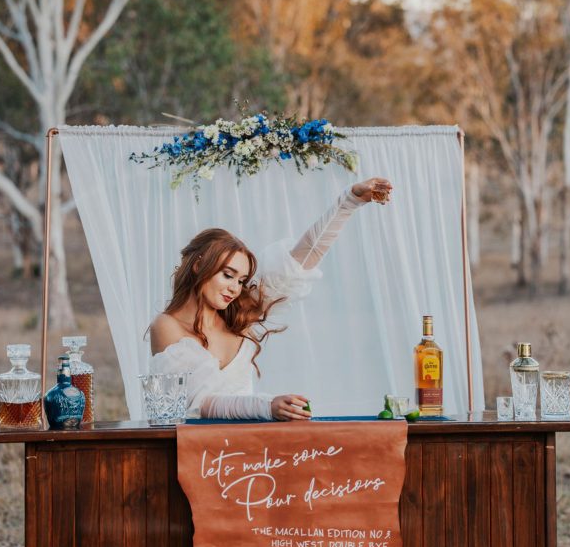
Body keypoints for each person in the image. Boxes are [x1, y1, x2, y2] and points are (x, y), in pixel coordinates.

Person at [150, 177, 393, 421]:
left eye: (241, 280)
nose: (235, 288)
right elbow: (200, 403)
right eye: (228, 275)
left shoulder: (240, 316)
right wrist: (266, 406)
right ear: (199, 265)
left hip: (253, 447)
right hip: (203, 453)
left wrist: (349, 201)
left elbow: (301, 260)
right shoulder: (167, 326)